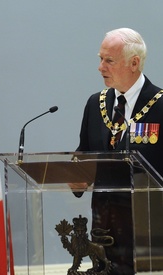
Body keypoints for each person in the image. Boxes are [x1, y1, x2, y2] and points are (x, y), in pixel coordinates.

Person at [77, 28, 163, 274]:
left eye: (109, 61)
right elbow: (85, 152)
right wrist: (69, 172)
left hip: (150, 233)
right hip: (104, 230)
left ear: (134, 63)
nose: (100, 67)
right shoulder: (96, 103)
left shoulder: (160, 104)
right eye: (100, 58)